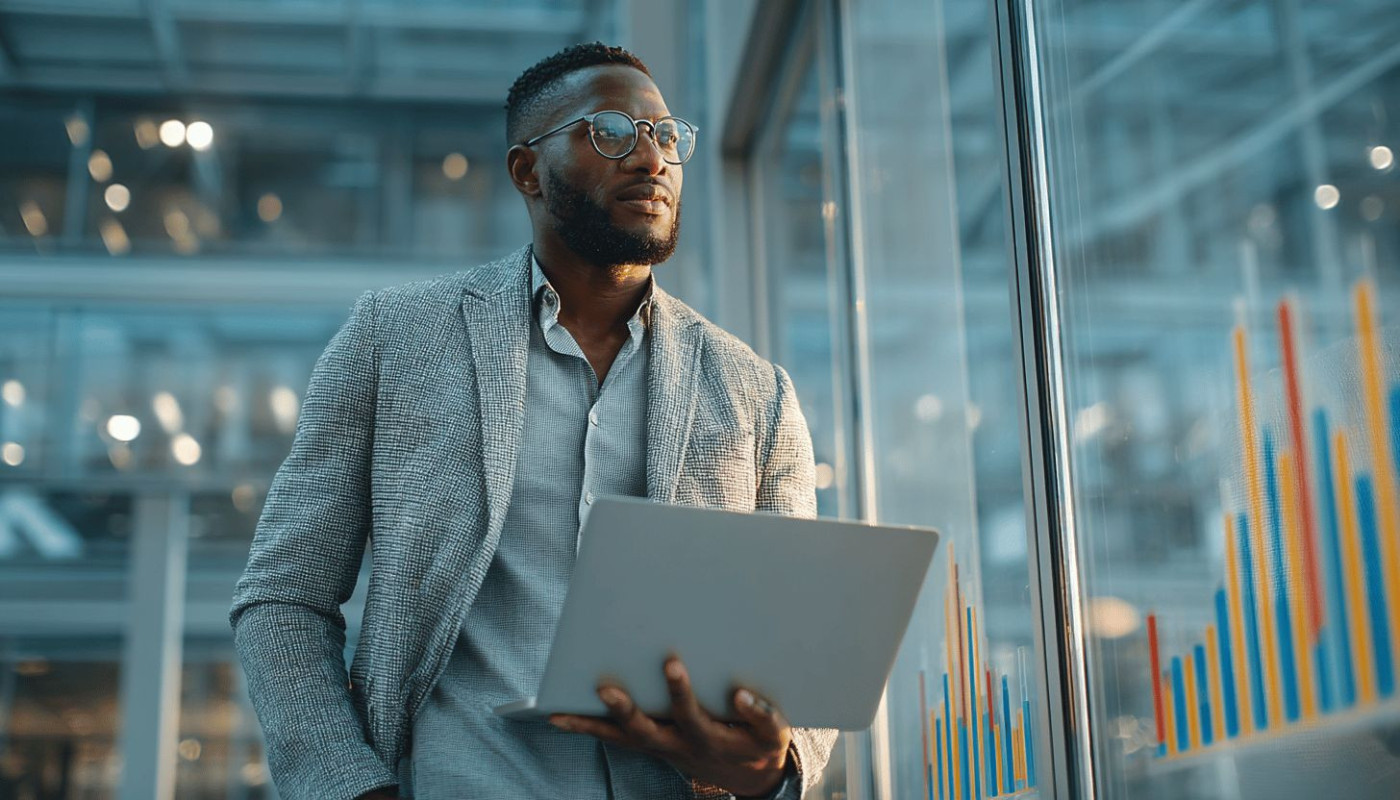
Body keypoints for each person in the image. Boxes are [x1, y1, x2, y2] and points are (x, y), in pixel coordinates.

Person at [230, 42, 837, 800]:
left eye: (664, 135)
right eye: (610, 132)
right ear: (527, 172)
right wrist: (350, 786)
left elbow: (800, 648)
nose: (650, 158)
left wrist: (778, 765)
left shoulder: (758, 392)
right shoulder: (394, 337)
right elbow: (284, 595)